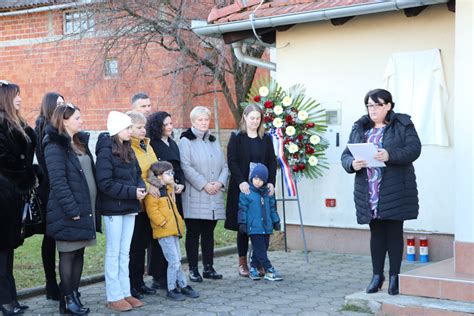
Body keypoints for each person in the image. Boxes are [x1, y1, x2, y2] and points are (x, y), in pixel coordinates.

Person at [341, 89, 421, 296]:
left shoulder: (402, 124)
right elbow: (345, 156)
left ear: (388, 106)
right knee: (376, 234)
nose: (372, 109)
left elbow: (414, 149)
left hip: (395, 188)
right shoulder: (360, 128)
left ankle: (395, 276)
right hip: (369, 190)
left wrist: (389, 154)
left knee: (394, 233)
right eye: (369, 105)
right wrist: (353, 164)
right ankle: (377, 276)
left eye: (376, 105)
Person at [43, 103, 99, 314]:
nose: (81, 121)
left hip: (86, 208)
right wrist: (72, 209)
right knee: (67, 254)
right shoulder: (54, 145)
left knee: (79, 253)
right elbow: (58, 182)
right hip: (68, 211)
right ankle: (67, 300)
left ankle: (73, 295)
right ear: (64, 121)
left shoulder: (79, 142)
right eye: (77, 118)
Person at [96, 111, 147, 312]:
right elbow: (105, 183)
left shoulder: (129, 149)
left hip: (130, 207)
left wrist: (140, 187)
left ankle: (125, 292)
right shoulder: (106, 151)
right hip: (113, 210)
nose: (130, 131)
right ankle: (113, 295)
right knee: (113, 252)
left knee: (125, 252)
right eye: (127, 127)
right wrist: (132, 192)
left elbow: (137, 174)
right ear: (117, 129)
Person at [225, 104, 277, 277]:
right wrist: (240, 182)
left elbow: (271, 162)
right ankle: (242, 263)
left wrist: (271, 183)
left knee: (261, 226)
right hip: (243, 188)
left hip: (261, 191)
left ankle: (259, 261)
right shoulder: (237, 137)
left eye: (258, 118)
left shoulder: (266, 139)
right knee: (244, 226)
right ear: (245, 118)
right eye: (252, 118)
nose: (255, 121)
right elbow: (232, 161)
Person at [179, 106, 228, 282]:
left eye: (206, 119)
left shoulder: (213, 140)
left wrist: (220, 182)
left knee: (209, 232)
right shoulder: (186, 141)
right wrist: (204, 184)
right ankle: (193, 269)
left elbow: (224, 165)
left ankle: (208, 267)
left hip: (214, 194)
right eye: (200, 120)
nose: (203, 123)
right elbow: (185, 167)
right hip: (196, 193)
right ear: (193, 121)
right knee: (194, 233)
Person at [0, 80, 37, 315]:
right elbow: (5, 161)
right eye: (16, 95)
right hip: (3, 196)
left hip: (11, 196)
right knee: (2, 251)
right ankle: (5, 301)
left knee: (8, 250)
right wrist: (29, 175)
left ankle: (10, 297)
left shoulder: (16, 122)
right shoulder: (2, 125)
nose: (20, 99)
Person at [145, 161, 199, 301]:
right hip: (164, 231)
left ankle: (183, 285)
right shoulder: (154, 194)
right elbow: (152, 211)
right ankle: (171, 288)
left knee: (178, 260)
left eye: (172, 172)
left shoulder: (168, 189)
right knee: (173, 261)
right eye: (168, 173)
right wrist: (162, 223)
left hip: (173, 230)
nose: (172, 175)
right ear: (159, 176)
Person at [146, 111, 185, 289]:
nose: (170, 127)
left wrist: (180, 183)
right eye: (166, 124)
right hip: (160, 195)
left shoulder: (173, 144)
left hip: (175, 194)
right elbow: (153, 171)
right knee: (162, 238)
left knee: (173, 235)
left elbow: (179, 167)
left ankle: (175, 274)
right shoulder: (152, 144)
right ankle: (159, 275)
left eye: (171, 123)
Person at [33, 92, 65, 301]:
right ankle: (51, 284)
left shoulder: (60, 128)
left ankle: (60, 284)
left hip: (57, 188)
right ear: (51, 106)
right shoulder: (44, 128)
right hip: (49, 190)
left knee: (57, 237)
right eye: (60, 103)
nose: (64, 106)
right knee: (51, 237)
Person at [126, 111, 159, 299]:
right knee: (133, 247)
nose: (142, 130)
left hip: (150, 204)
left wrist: (158, 183)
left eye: (143, 127)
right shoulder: (128, 148)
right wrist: (148, 186)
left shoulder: (147, 145)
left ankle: (140, 282)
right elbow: (133, 174)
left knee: (142, 245)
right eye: (139, 127)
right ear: (129, 129)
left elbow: (155, 168)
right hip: (136, 203)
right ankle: (131, 284)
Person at [238, 163, 282, 281]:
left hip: (266, 227)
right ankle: (269, 270)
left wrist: (276, 221)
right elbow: (243, 209)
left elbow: (272, 209)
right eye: (255, 178)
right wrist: (242, 222)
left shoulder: (268, 194)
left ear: (265, 181)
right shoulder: (246, 193)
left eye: (261, 179)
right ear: (252, 178)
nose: (257, 181)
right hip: (254, 227)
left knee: (263, 247)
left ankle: (253, 268)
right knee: (260, 250)